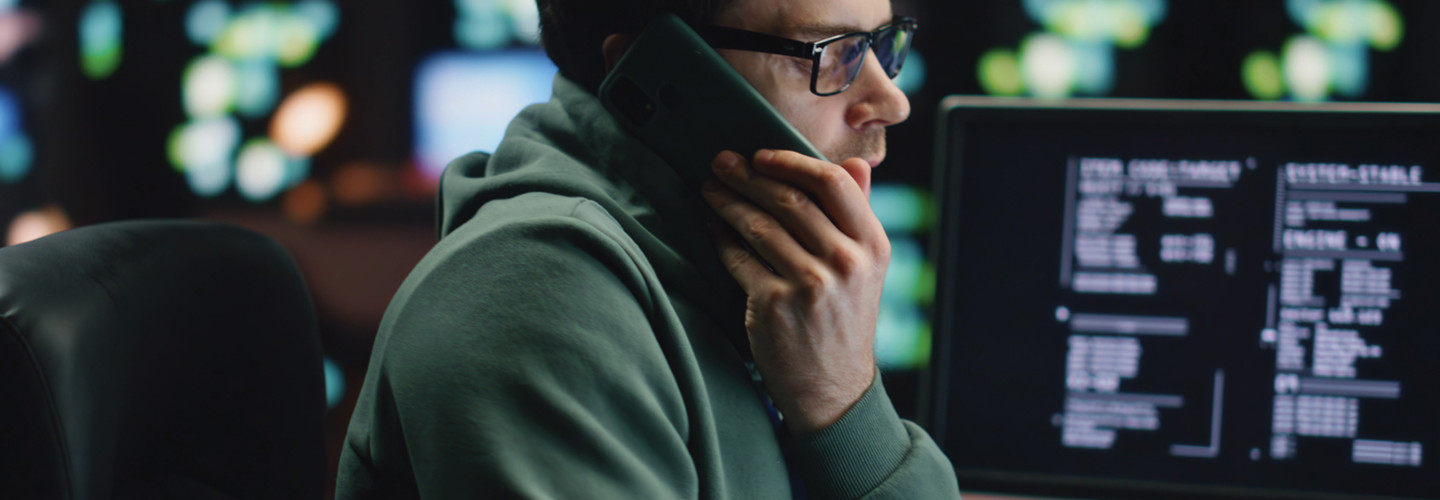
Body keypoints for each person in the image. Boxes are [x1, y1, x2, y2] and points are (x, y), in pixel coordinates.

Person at [336, 0, 961, 497]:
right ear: (660, 73)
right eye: (832, 53)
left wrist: (843, 409)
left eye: (883, 44)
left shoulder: (766, 289)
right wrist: (841, 404)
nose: (892, 103)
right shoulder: (537, 297)